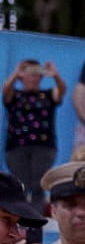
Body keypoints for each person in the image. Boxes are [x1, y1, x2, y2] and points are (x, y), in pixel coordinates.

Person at [4, 58, 63, 203]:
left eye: (36, 73)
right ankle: (19, 220)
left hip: (44, 146)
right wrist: (15, 74)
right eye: (28, 72)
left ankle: (35, 223)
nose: (32, 77)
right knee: (20, 184)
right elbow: (5, 92)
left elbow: (61, 91)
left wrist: (55, 75)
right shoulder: (15, 94)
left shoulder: (48, 95)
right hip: (16, 146)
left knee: (38, 185)